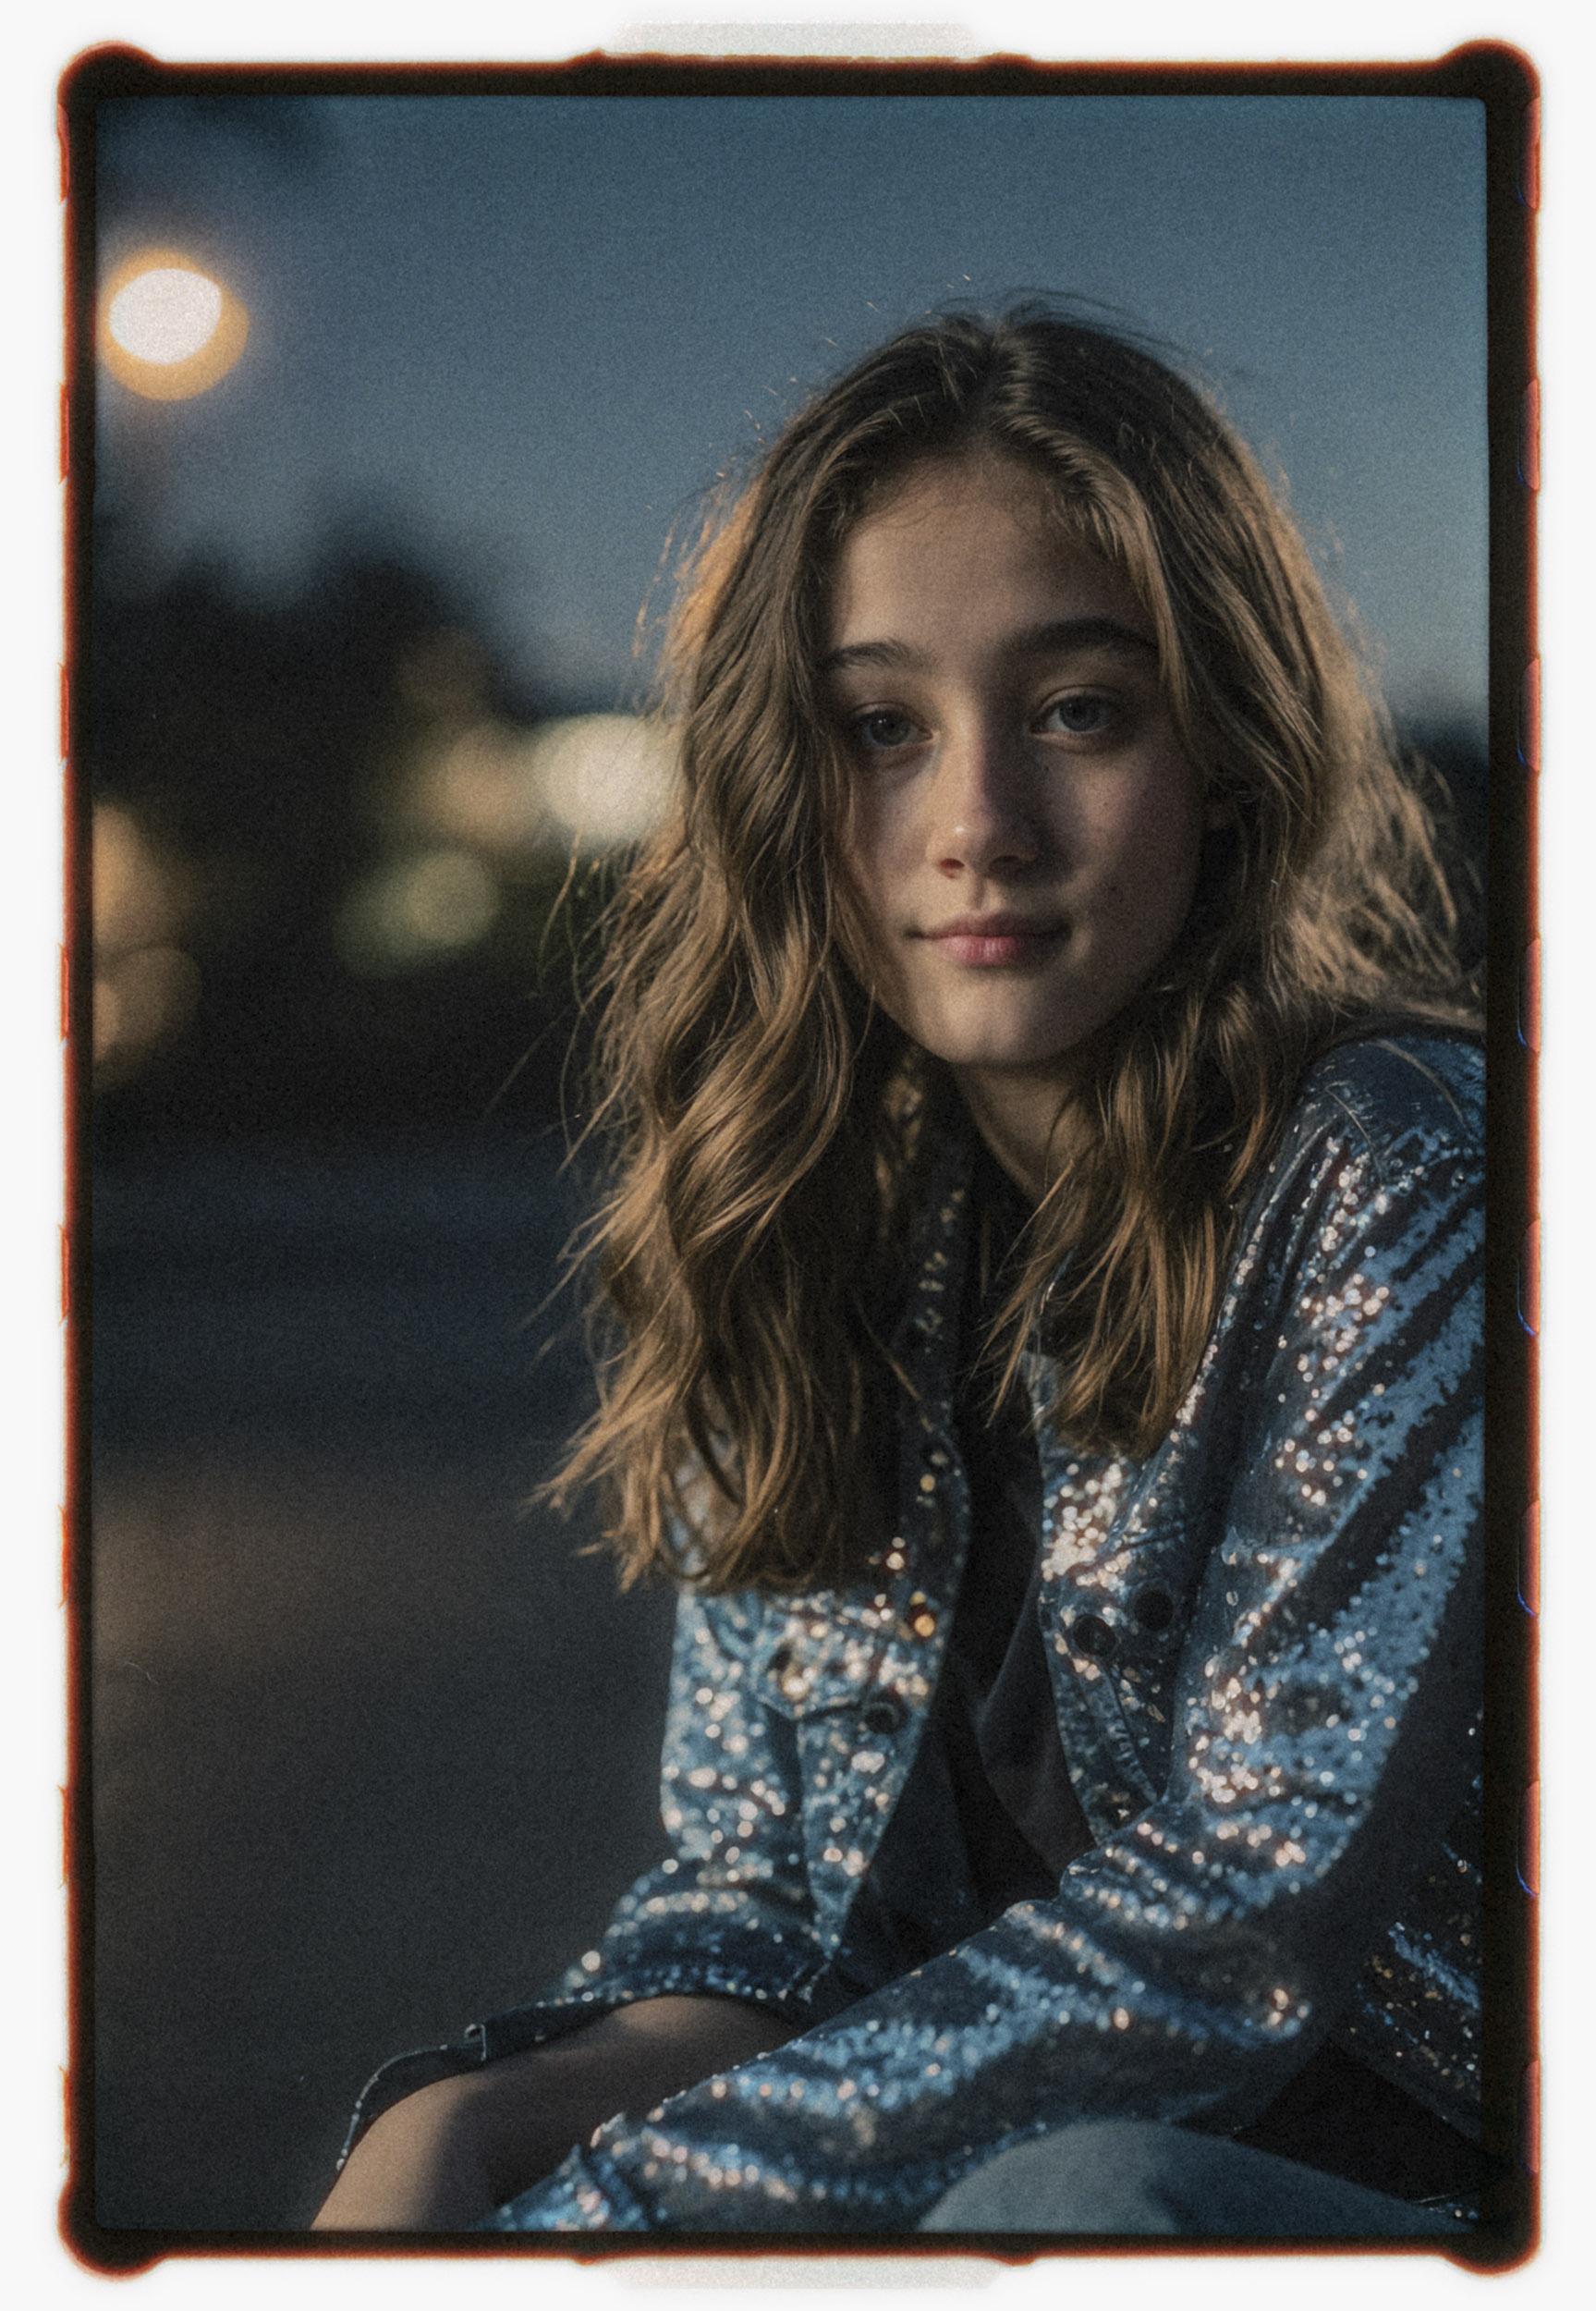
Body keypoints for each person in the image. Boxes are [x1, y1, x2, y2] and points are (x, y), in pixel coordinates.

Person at [312, 308, 1486, 2238]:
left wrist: (604, 2208)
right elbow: (759, 1918)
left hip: (1440, 2180)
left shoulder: (1401, 1171)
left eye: (1080, 707)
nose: (976, 829)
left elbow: (1242, 1912)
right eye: (882, 726)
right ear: (788, 777)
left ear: (1226, 742)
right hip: (960, 2185)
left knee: (1079, 2188)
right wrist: (481, 2130)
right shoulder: (810, 1229)